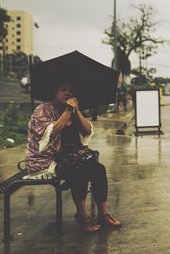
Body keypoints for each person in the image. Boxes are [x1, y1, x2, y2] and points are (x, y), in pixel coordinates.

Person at [25, 83, 121, 232]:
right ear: (54, 92)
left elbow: (87, 130)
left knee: (98, 169)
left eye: (71, 91)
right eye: (63, 90)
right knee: (80, 168)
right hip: (46, 161)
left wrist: (76, 111)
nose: (67, 94)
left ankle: (103, 213)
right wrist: (68, 112)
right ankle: (82, 216)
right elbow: (50, 134)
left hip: (69, 158)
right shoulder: (43, 110)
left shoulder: (73, 110)